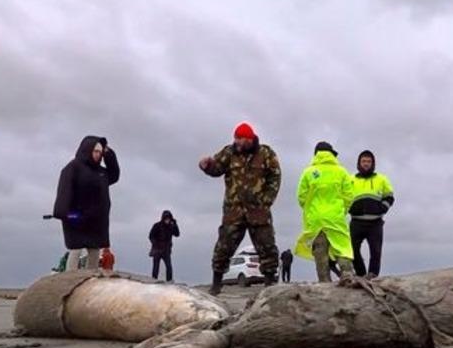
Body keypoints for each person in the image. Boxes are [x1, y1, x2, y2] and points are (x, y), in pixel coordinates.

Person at [199, 123, 281, 295]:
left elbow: (275, 176)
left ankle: (269, 283)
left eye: (239, 139)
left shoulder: (266, 153)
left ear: (248, 139)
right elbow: (216, 169)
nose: (236, 141)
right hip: (234, 210)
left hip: (258, 210)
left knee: (267, 246)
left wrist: (266, 200)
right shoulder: (229, 152)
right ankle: (216, 284)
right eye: (235, 138)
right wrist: (206, 166)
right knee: (224, 246)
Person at [53, 136, 120, 271]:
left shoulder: (101, 172)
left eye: (100, 152)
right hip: (76, 218)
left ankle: (92, 279)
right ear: (87, 150)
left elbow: (114, 175)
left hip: (96, 221)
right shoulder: (73, 168)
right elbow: (64, 192)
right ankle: (70, 278)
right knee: (76, 249)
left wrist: (108, 154)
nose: (98, 155)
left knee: (94, 251)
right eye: (96, 151)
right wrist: (68, 214)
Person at [295, 142, 355, 283]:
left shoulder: (308, 172)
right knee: (342, 247)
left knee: (320, 252)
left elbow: (301, 197)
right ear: (331, 154)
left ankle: (324, 282)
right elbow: (349, 196)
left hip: (316, 219)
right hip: (335, 217)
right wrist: (342, 210)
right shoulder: (341, 172)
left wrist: (311, 210)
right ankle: (347, 274)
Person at [349, 150, 395, 279]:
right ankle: (361, 275)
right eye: (363, 161)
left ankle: (373, 277)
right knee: (352, 250)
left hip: (375, 223)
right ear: (359, 163)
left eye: (369, 161)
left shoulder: (381, 179)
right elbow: (343, 197)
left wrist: (382, 208)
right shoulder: (350, 179)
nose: (366, 164)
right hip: (356, 222)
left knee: (376, 252)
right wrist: (349, 208)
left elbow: (390, 197)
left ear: (373, 163)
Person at [149, 210, 179, 281]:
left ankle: (169, 282)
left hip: (166, 250)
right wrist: (155, 244)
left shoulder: (171, 227)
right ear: (163, 218)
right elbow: (151, 236)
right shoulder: (157, 225)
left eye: (168, 219)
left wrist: (175, 224)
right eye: (166, 218)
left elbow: (177, 234)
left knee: (169, 267)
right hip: (157, 250)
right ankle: (153, 280)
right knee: (156, 267)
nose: (167, 220)